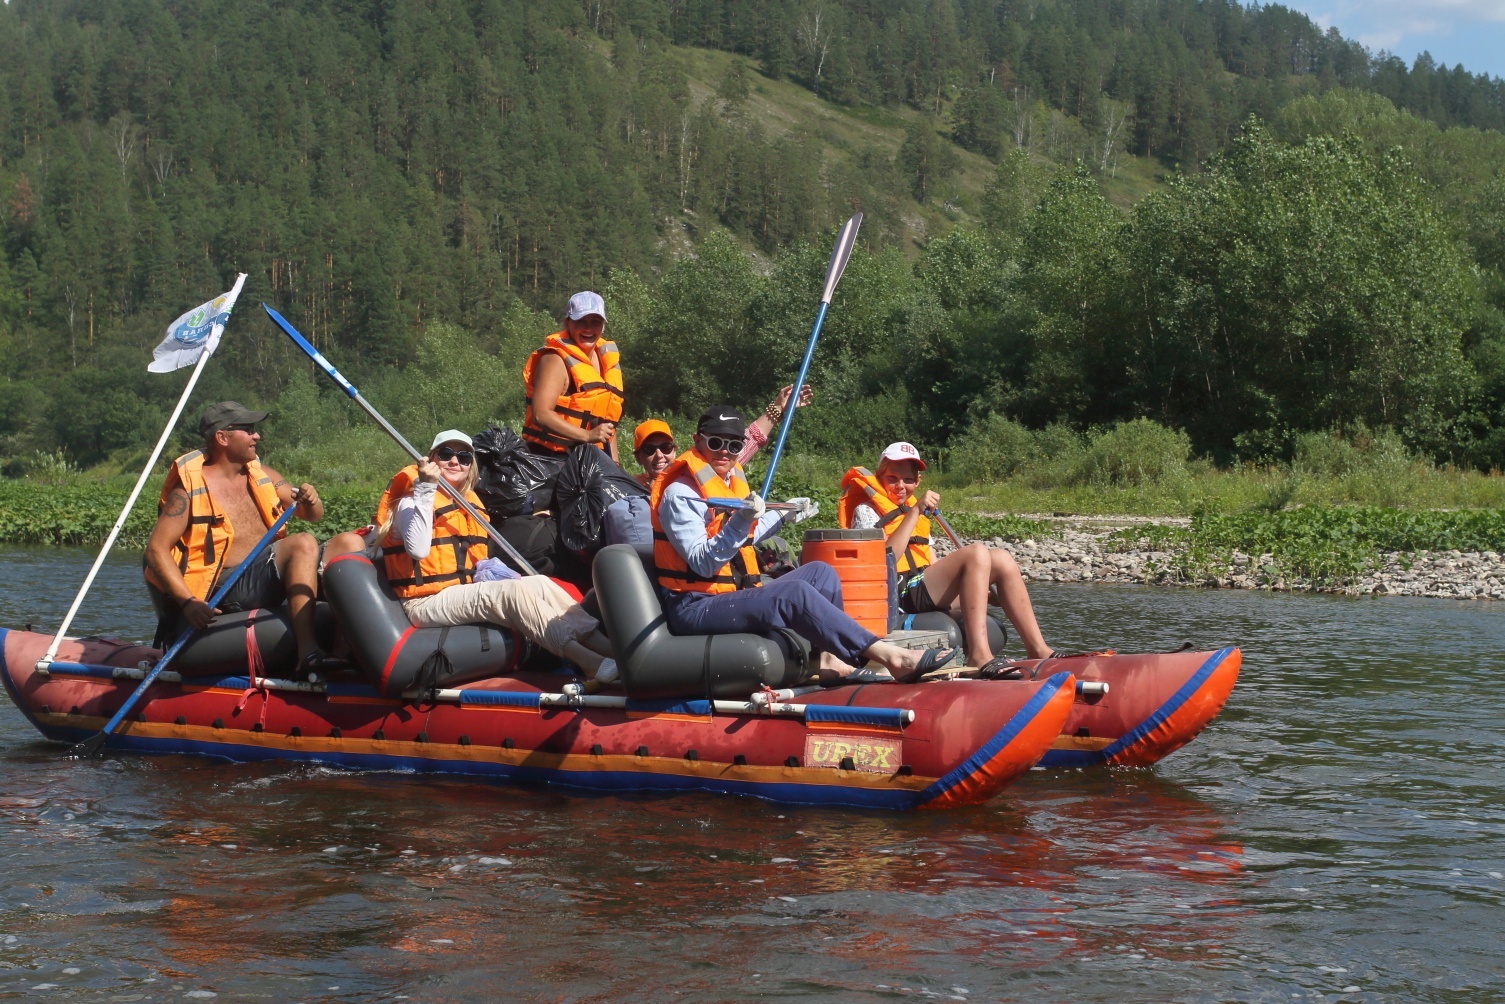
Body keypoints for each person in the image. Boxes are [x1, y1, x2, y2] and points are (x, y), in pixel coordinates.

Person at [652, 407, 955, 684]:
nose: (725, 452)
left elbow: (744, 542)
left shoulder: (730, 481)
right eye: (715, 443)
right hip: (693, 605)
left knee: (821, 573)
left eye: (734, 445)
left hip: (732, 593)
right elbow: (702, 562)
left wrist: (782, 515)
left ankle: (830, 659)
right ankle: (891, 657)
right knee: (793, 594)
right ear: (697, 440)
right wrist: (741, 519)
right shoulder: (680, 494)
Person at [380, 430, 619, 683]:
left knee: (539, 582)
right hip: (423, 602)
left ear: (471, 466)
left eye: (464, 457)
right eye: (446, 454)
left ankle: (614, 653)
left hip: (459, 590)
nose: (454, 461)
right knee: (510, 593)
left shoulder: (466, 503)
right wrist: (427, 487)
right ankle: (589, 663)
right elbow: (418, 550)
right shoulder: (412, 502)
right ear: (431, 461)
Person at [144, 401, 336, 674]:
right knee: (302, 543)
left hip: (263, 579)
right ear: (222, 437)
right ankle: (308, 652)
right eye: (247, 430)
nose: (256, 436)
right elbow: (155, 551)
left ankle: (345, 655)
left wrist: (311, 500)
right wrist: (188, 602)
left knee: (345, 543)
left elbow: (311, 514)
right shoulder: (186, 492)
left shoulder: (265, 476)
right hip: (225, 589)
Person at [838, 442, 1054, 674]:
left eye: (908, 480)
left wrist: (977, 584)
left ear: (917, 481)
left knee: (1001, 558)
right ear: (880, 475)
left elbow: (931, 563)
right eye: (892, 478)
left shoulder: (913, 510)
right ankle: (979, 656)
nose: (901, 486)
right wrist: (914, 513)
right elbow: (884, 562)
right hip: (896, 593)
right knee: (976, 552)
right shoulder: (867, 509)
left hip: (921, 588)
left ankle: (1038, 649)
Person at [521, 291, 623, 462]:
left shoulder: (605, 360)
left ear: (603, 325)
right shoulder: (554, 359)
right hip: (552, 461)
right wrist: (587, 435)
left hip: (590, 461)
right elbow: (541, 414)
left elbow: (607, 424)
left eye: (595, 322)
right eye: (581, 321)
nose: (588, 328)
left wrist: (614, 466)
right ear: (567, 322)